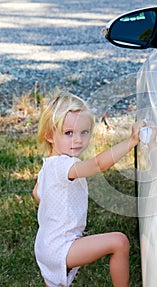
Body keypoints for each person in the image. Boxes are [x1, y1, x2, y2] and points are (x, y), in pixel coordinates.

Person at [32, 91, 143, 287]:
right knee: (119, 242)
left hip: (46, 244)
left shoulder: (49, 165)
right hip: (61, 246)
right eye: (69, 133)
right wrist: (131, 141)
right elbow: (99, 164)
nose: (78, 140)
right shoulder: (64, 167)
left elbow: (37, 193)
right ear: (49, 135)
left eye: (84, 132)